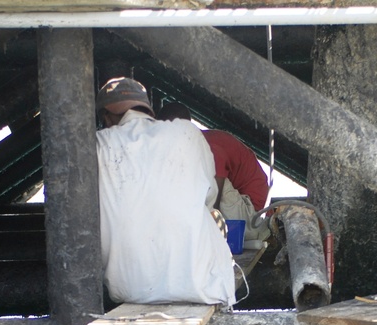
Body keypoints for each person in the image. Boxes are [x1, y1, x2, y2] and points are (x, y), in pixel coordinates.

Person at [95, 77, 235, 307]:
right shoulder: (187, 133)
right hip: (200, 286)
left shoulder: (99, 143)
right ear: (149, 109)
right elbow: (209, 198)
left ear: (106, 118)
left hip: (130, 290)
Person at [158, 102, 270, 241]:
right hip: (235, 205)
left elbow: (215, 192)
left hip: (250, 210)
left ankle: (254, 231)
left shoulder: (207, 146)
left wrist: (209, 225)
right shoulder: (189, 146)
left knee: (210, 182)